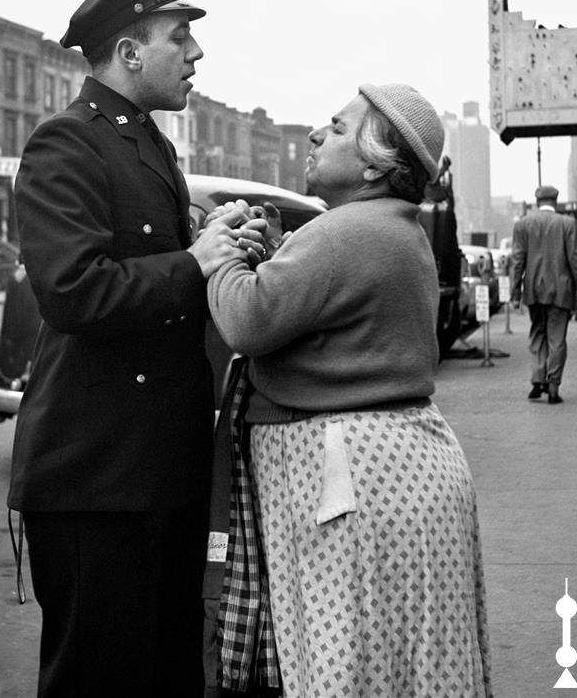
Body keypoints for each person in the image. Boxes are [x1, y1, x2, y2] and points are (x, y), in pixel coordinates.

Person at [8, 0, 261, 696]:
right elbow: (72, 289)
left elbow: (158, 257)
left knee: (166, 672)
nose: (196, 54)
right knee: (100, 680)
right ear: (128, 52)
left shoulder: (148, 142)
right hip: (97, 479)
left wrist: (225, 242)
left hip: (159, 470)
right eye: (179, 37)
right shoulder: (67, 142)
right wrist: (196, 260)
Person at [206, 85, 492, 697]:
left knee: (349, 659)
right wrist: (285, 253)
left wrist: (219, 255)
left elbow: (247, 320)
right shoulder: (389, 228)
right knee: (404, 660)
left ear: (374, 165)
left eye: (336, 128)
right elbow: (334, 312)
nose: (315, 135)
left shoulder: (344, 233)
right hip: (398, 471)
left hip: (350, 483)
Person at [510, 185, 577, 404]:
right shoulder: (568, 224)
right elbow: (576, 262)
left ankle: (538, 379)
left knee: (537, 333)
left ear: (537, 202)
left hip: (534, 289)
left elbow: (517, 261)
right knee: (557, 338)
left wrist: (515, 291)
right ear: (556, 201)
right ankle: (553, 386)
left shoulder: (523, 225)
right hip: (561, 291)